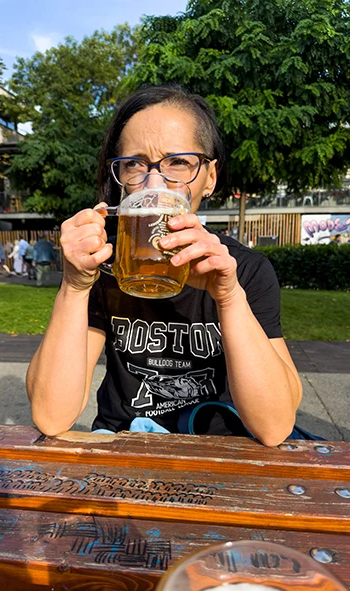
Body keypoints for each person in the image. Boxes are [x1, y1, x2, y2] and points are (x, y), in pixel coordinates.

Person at [27, 85, 302, 446]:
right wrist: (75, 286)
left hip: (215, 450)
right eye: (134, 164)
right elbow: (51, 415)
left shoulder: (246, 270)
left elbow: (275, 425)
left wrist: (230, 297)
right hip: (124, 447)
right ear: (120, 179)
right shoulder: (103, 269)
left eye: (178, 162)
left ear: (210, 177)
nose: (153, 183)